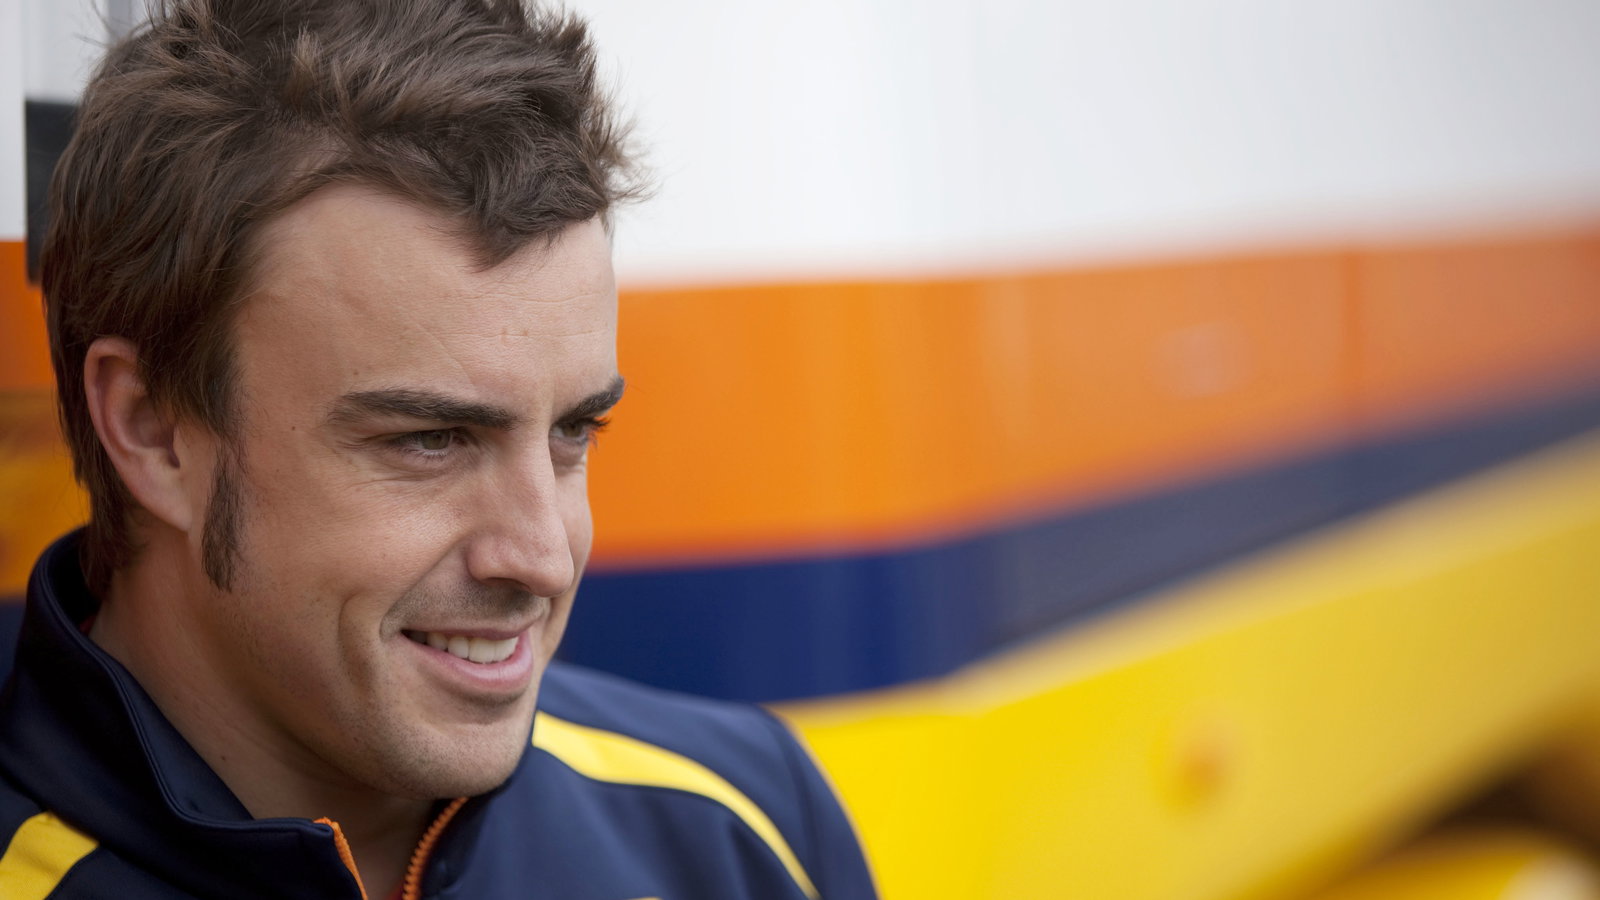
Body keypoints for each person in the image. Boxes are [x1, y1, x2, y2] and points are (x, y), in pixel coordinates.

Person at [0, 2, 877, 898]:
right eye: (432, 439)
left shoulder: (741, 824)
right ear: (151, 428)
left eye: (574, 430)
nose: (543, 557)